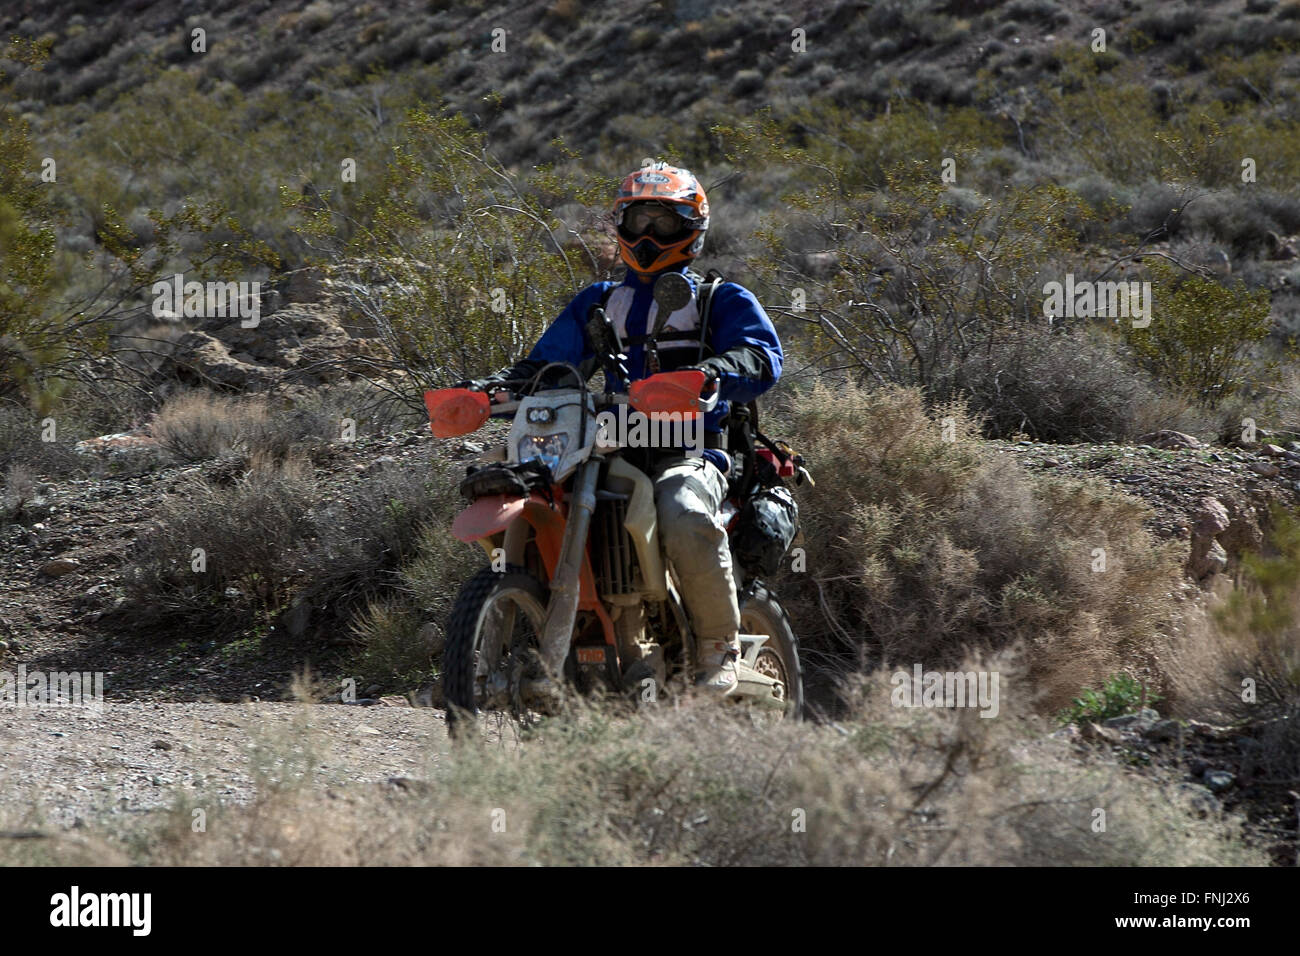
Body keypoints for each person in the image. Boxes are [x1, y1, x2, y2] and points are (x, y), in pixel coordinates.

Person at [461, 163, 783, 692]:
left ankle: (718, 645)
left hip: (692, 448)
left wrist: (708, 373)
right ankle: (519, 634)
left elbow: (762, 356)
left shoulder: (718, 299)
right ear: (621, 226)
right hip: (609, 445)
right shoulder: (598, 301)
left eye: (666, 223)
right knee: (519, 479)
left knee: (681, 510)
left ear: (693, 230)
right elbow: (546, 366)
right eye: (639, 221)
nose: (650, 236)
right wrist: (486, 392)